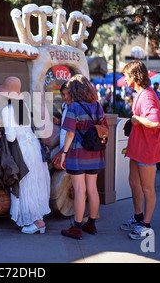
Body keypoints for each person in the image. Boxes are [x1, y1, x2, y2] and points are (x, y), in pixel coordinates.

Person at [56, 74, 108, 240]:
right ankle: (91, 224)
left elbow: (70, 133)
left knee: (79, 190)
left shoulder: (74, 107)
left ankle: (77, 228)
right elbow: (104, 128)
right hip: (95, 152)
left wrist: (63, 153)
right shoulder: (98, 106)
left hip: (77, 154)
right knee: (92, 189)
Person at [0, 76, 51, 234]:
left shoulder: (7, 110)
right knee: (35, 183)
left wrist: (3, 129)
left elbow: (11, 137)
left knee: (26, 185)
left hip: (22, 150)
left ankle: (37, 222)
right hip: (33, 146)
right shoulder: (23, 106)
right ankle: (40, 220)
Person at [120, 61, 160, 240]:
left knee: (147, 188)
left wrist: (137, 119)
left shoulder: (147, 96)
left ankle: (146, 225)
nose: (124, 79)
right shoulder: (141, 94)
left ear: (135, 77)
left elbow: (156, 123)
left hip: (147, 149)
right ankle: (138, 217)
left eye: (126, 76)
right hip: (137, 147)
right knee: (134, 183)